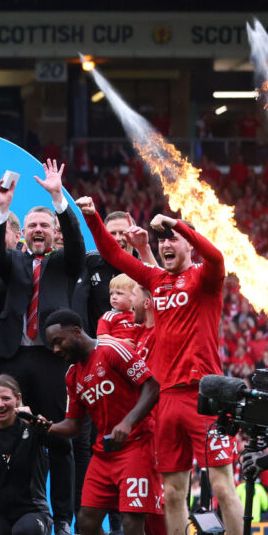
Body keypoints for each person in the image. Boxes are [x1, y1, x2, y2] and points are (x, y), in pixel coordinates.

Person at [78, 196, 244, 535]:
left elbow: (216, 255)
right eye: (162, 239)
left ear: (188, 244)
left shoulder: (205, 278)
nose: (165, 243)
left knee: (223, 487)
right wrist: (93, 216)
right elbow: (114, 255)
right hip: (165, 399)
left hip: (204, 396)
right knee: (171, 494)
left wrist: (176, 223)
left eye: (172, 238)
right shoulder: (155, 280)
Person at [0, 160, 84, 535]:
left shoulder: (65, 263)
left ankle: (61, 519)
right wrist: (2, 207)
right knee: (3, 433)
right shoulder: (13, 262)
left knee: (57, 438)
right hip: (12, 356)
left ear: (54, 232)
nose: (38, 231)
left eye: (44, 226)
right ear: (23, 233)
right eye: (32, 227)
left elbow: (76, 239)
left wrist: (58, 197)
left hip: (51, 358)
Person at [40, 309, 162, 535]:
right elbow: (74, 424)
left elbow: (152, 386)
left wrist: (127, 422)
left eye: (58, 341)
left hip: (138, 446)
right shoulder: (72, 375)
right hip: (104, 454)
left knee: (132, 520)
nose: (56, 350)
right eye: (52, 345)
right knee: (85, 522)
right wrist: (49, 427)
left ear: (76, 332)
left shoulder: (111, 350)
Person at [0, 375, 68, 535]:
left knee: (24, 531)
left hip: (33, 510)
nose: (0, 404)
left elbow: (64, 449)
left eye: (6, 398)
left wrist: (41, 427)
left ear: (18, 398)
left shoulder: (32, 426)